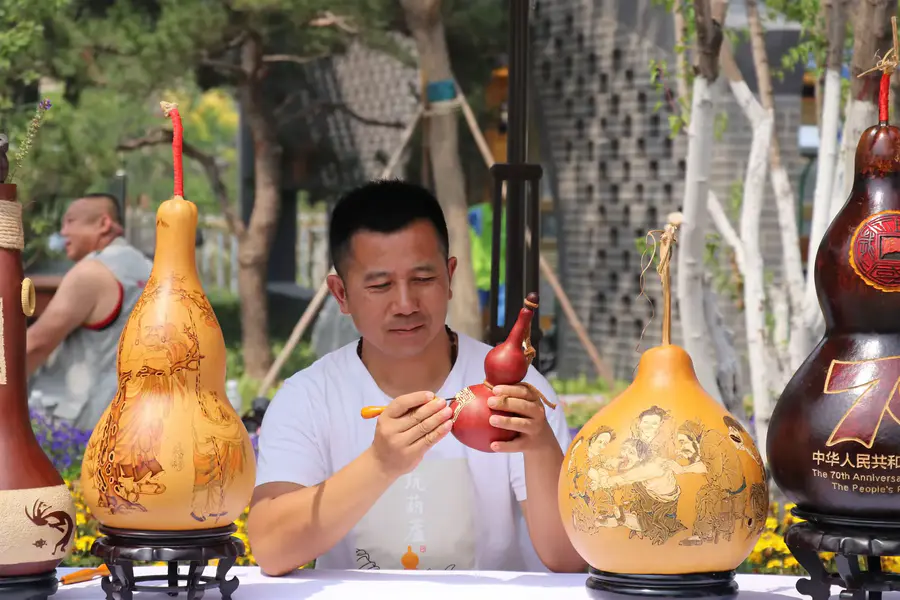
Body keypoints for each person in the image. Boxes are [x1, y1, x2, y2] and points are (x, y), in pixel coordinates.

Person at [249, 179, 585, 574]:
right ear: (341, 294)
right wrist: (380, 464)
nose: (406, 304)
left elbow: (569, 559)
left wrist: (541, 447)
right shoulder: (308, 397)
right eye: (380, 285)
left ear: (450, 277)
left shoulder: (514, 393)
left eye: (423, 280)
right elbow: (271, 549)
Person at [27, 193, 152, 430]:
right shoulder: (151, 271)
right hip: (138, 422)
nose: (63, 232)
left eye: (70, 221)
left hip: (80, 427)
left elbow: (36, 345)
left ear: (103, 223)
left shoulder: (90, 272)